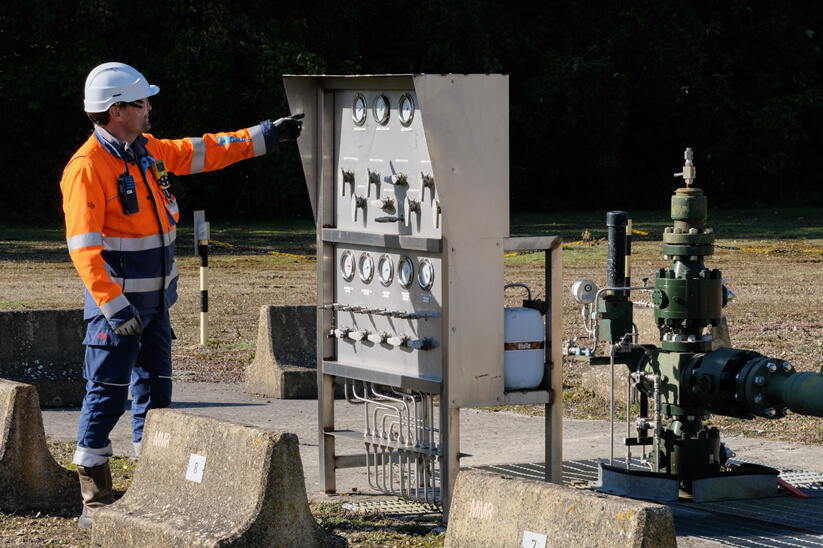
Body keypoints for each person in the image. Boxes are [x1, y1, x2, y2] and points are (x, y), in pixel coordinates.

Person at [59, 62, 303, 528]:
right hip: (119, 312)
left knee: (157, 398)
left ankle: (152, 480)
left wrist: (267, 135)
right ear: (115, 112)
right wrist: (113, 307)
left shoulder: (146, 151)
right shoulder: (87, 168)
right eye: (141, 103)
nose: (150, 109)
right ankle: (93, 497)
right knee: (106, 396)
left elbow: (207, 150)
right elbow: (84, 250)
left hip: (154, 308)